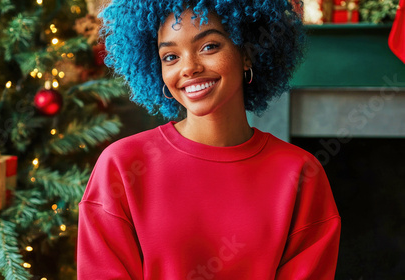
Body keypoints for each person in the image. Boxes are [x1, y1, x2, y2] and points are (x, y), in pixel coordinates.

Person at [77, 0, 341, 279]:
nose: (188, 68)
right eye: (170, 57)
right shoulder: (121, 167)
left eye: (209, 46)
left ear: (247, 53)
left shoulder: (301, 173)